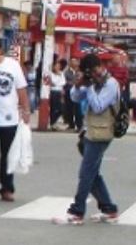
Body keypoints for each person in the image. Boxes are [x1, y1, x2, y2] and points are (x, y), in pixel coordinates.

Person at [52, 53, 122, 225]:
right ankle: (109, 209)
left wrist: (89, 87)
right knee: (92, 173)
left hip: (102, 133)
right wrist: (77, 86)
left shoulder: (110, 84)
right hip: (90, 132)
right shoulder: (93, 83)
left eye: (91, 71)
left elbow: (98, 106)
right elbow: (75, 98)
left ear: (99, 67)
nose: (91, 75)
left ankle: (77, 211)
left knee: (85, 173)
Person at [0, 36, 30, 202]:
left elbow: (21, 89)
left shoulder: (12, 65)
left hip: (9, 118)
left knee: (8, 155)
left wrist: (26, 110)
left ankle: (7, 188)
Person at [45, 57, 68, 130]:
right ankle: (52, 123)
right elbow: (53, 82)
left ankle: (54, 121)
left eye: (59, 66)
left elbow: (63, 82)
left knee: (62, 108)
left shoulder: (61, 73)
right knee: (54, 108)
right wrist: (57, 83)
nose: (58, 67)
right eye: (56, 65)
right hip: (53, 92)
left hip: (60, 92)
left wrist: (57, 82)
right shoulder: (51, 74)